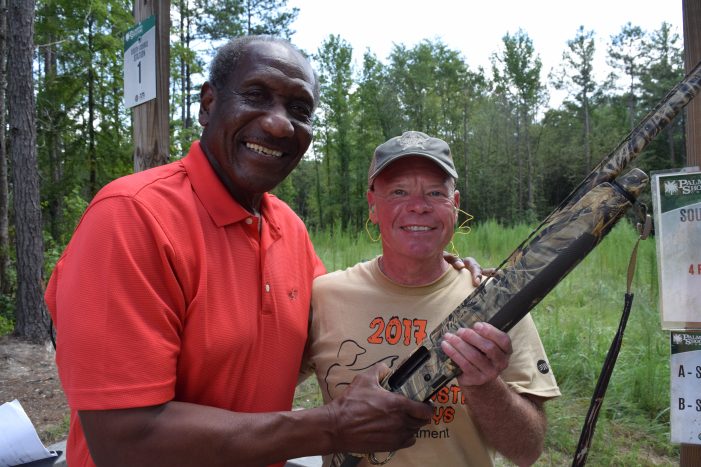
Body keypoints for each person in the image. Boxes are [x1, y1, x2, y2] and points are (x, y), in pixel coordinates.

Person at [45, 36, 446, 467]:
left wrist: (438, 273)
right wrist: (330, 426)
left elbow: (334, 330)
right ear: (207, 104)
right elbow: (124, 441)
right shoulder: (132, 217)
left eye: (299, 110)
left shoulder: (287, 228)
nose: (278, 125)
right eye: (256, 95)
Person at [305, 131, 561, 467]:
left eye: (435, 192)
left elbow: (528, 450)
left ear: (454, 206)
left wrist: (485, 386)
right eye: (398, 192)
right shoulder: (325, 295)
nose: (418, 206)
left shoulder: (494, 302)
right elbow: (262, 392)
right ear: (372, 206)